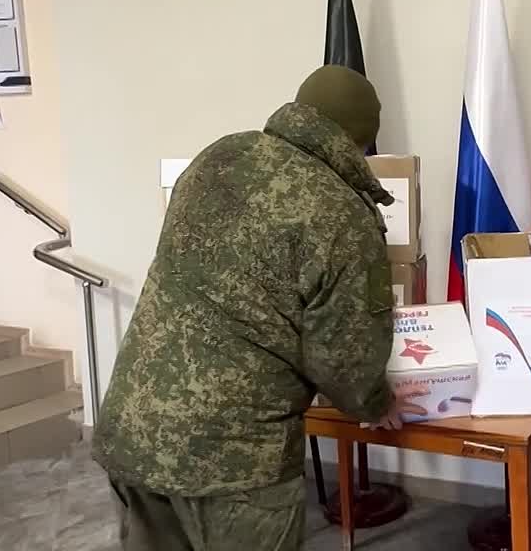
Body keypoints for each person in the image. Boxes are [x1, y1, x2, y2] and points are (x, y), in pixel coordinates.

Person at [92, 64, 417, 551]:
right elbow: (344, 360)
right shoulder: (343, 213)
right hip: (235, 459)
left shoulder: (220, 155)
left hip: (133, 425)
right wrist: (377, 404)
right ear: (360, 140)